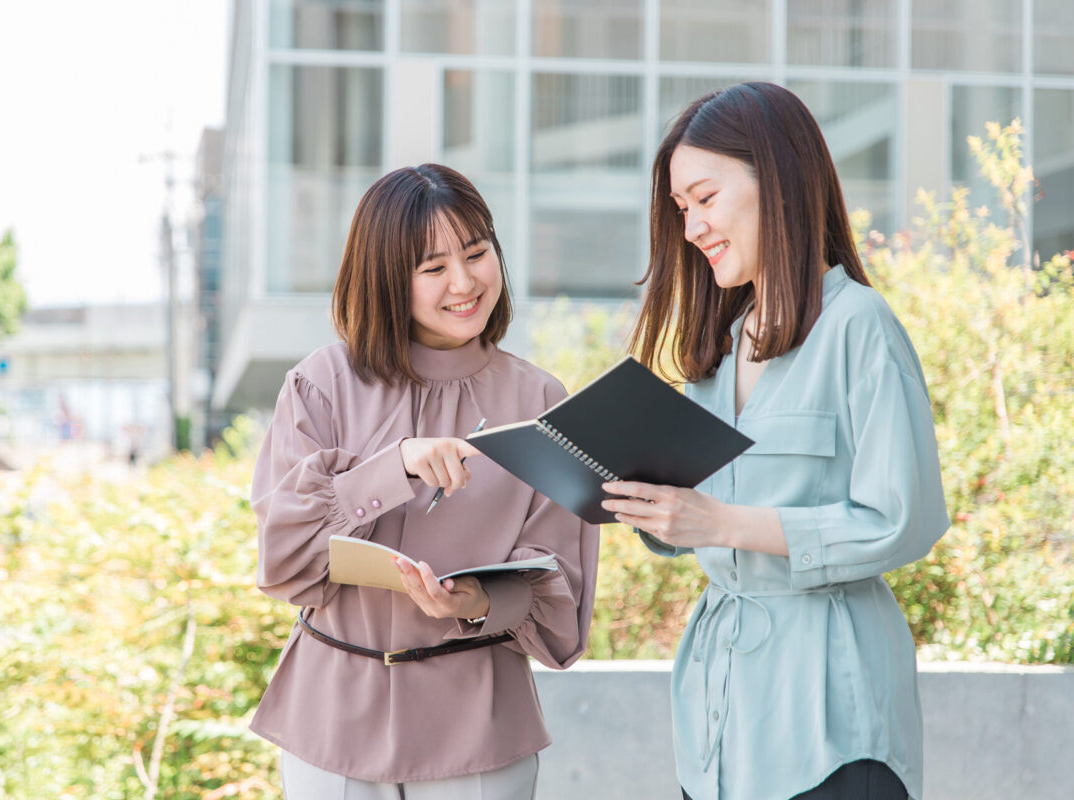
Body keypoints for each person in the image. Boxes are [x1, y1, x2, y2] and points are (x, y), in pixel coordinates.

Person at [600, 82, 949, 800]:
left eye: (705, 198)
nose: (692, 227)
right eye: (680, 209)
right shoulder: (722, 346)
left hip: (830, 716)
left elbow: (901, 521)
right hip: (720, 716)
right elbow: (700, 520)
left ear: (779, 180)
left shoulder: (860, 326)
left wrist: (720, 522)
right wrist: (650, 505)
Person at [249, 163, 599, 799]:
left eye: (476, 253)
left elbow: (558, 584)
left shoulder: (542, 398)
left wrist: (477, 603)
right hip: (332, 723)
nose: (464, 282)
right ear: (387, 279)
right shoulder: (319, 385)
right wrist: (394, 466)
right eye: (432, 268)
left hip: (479, 730)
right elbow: (283, 556)